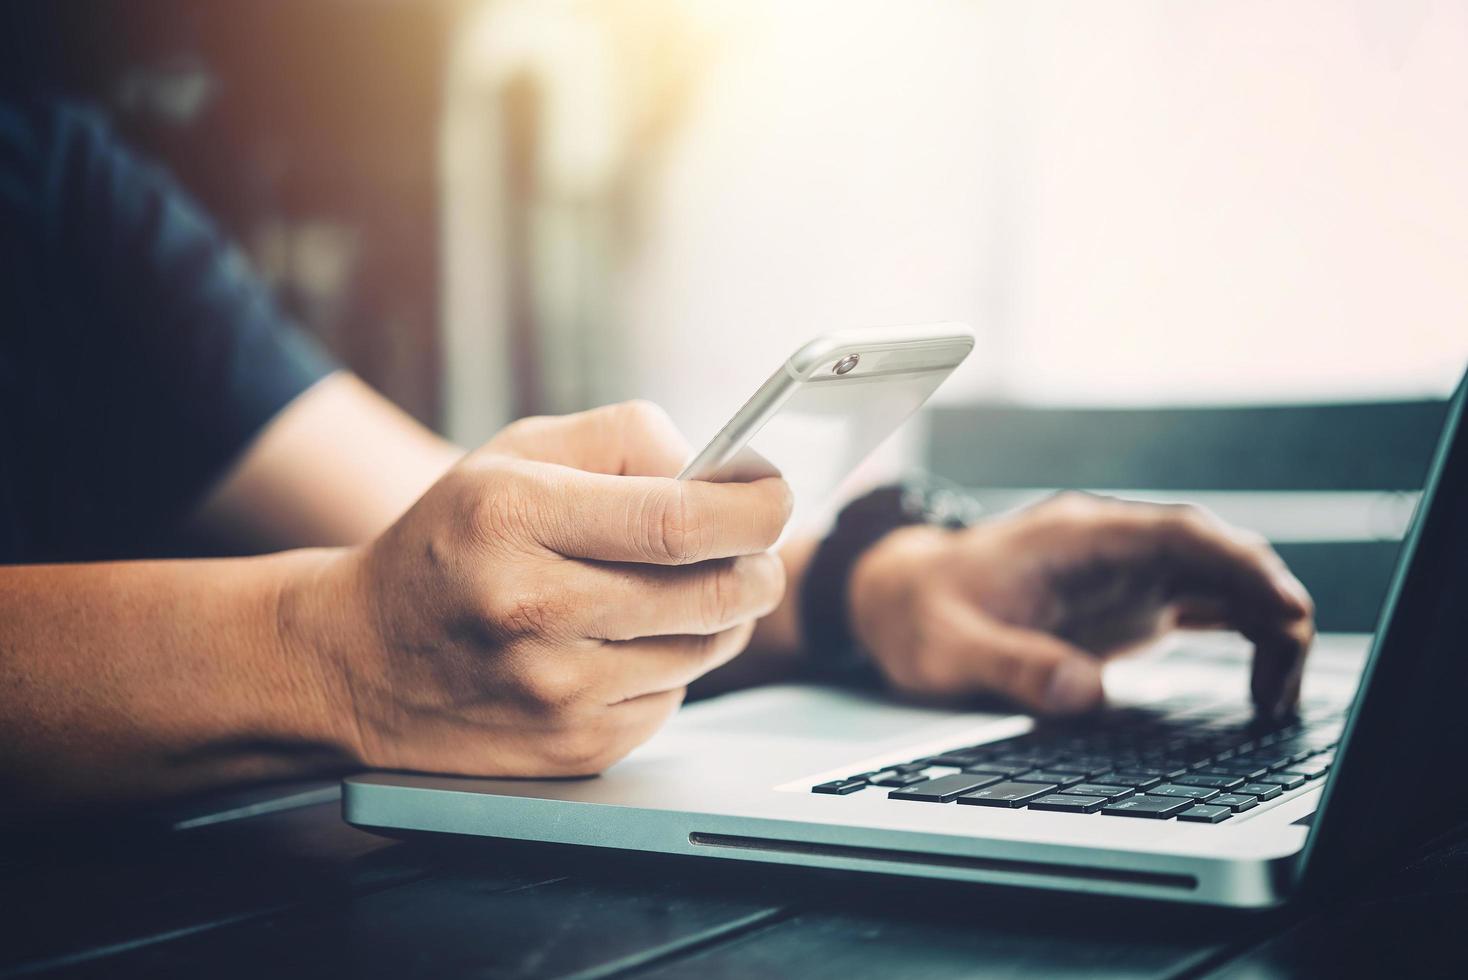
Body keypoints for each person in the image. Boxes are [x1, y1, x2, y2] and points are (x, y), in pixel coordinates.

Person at [0, 100, 1314, 813]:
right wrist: (336, 657)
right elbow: (381, 616)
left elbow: (445, 551)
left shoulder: (56, 187)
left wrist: (881, 584)